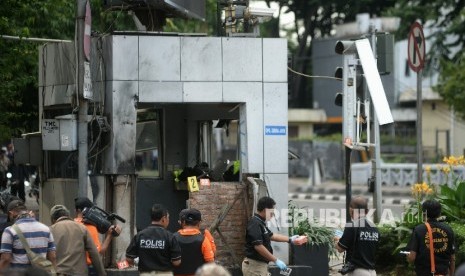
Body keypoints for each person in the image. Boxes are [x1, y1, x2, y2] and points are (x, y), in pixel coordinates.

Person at [242, 196, 308, 276]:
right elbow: (258, 246)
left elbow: (271, 236)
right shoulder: (255, 223)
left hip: (260, 266)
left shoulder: (261, 222)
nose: (273, 215)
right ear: (265, 210)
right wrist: (276, 260)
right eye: (272, 212)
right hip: (254, 266)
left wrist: (290, 239)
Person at [49, 204, 107, 276]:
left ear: (53, 219)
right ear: (68, 215)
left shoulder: (50, 230)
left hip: (60, 273)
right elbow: (94, 253)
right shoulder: (82, 228)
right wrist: (102, 274)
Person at [126, 203, 182, 275]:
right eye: (168, 217)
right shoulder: (170, 236)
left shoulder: (140, 235)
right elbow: (176, 262)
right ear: (163, 219)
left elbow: (129, 259)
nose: (168, 220)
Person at [0, 199, 57, 270]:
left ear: (11, 213)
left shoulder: (10, 231)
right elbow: (52, 257)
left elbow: (6, 259)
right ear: (27, 211)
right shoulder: (46, 229)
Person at [406, 199, 455, 276]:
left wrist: (407, 256)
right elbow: (452, 258)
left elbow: (412, 257)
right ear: (439, 213)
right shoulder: (448, 229)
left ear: (424, 213)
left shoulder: (419, 230)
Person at [74, 196, 121, 275]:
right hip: (87, 269)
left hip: (72, 269)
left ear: (76, 210)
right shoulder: (90, 227)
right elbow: (99, 252)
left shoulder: (70, 225)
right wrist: (110, 235)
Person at [336, 196, 379, 276]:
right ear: (367, 211)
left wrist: (336, 240)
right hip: (372, 272)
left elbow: (340, 248)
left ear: (351, 210)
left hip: (357, 272)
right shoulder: (374, 228)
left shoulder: (352, 226)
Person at [174, 208, 214, 276]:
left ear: (183, 222)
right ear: (199, 223)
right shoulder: (203, 239)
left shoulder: (172, 238)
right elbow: (210, 263)